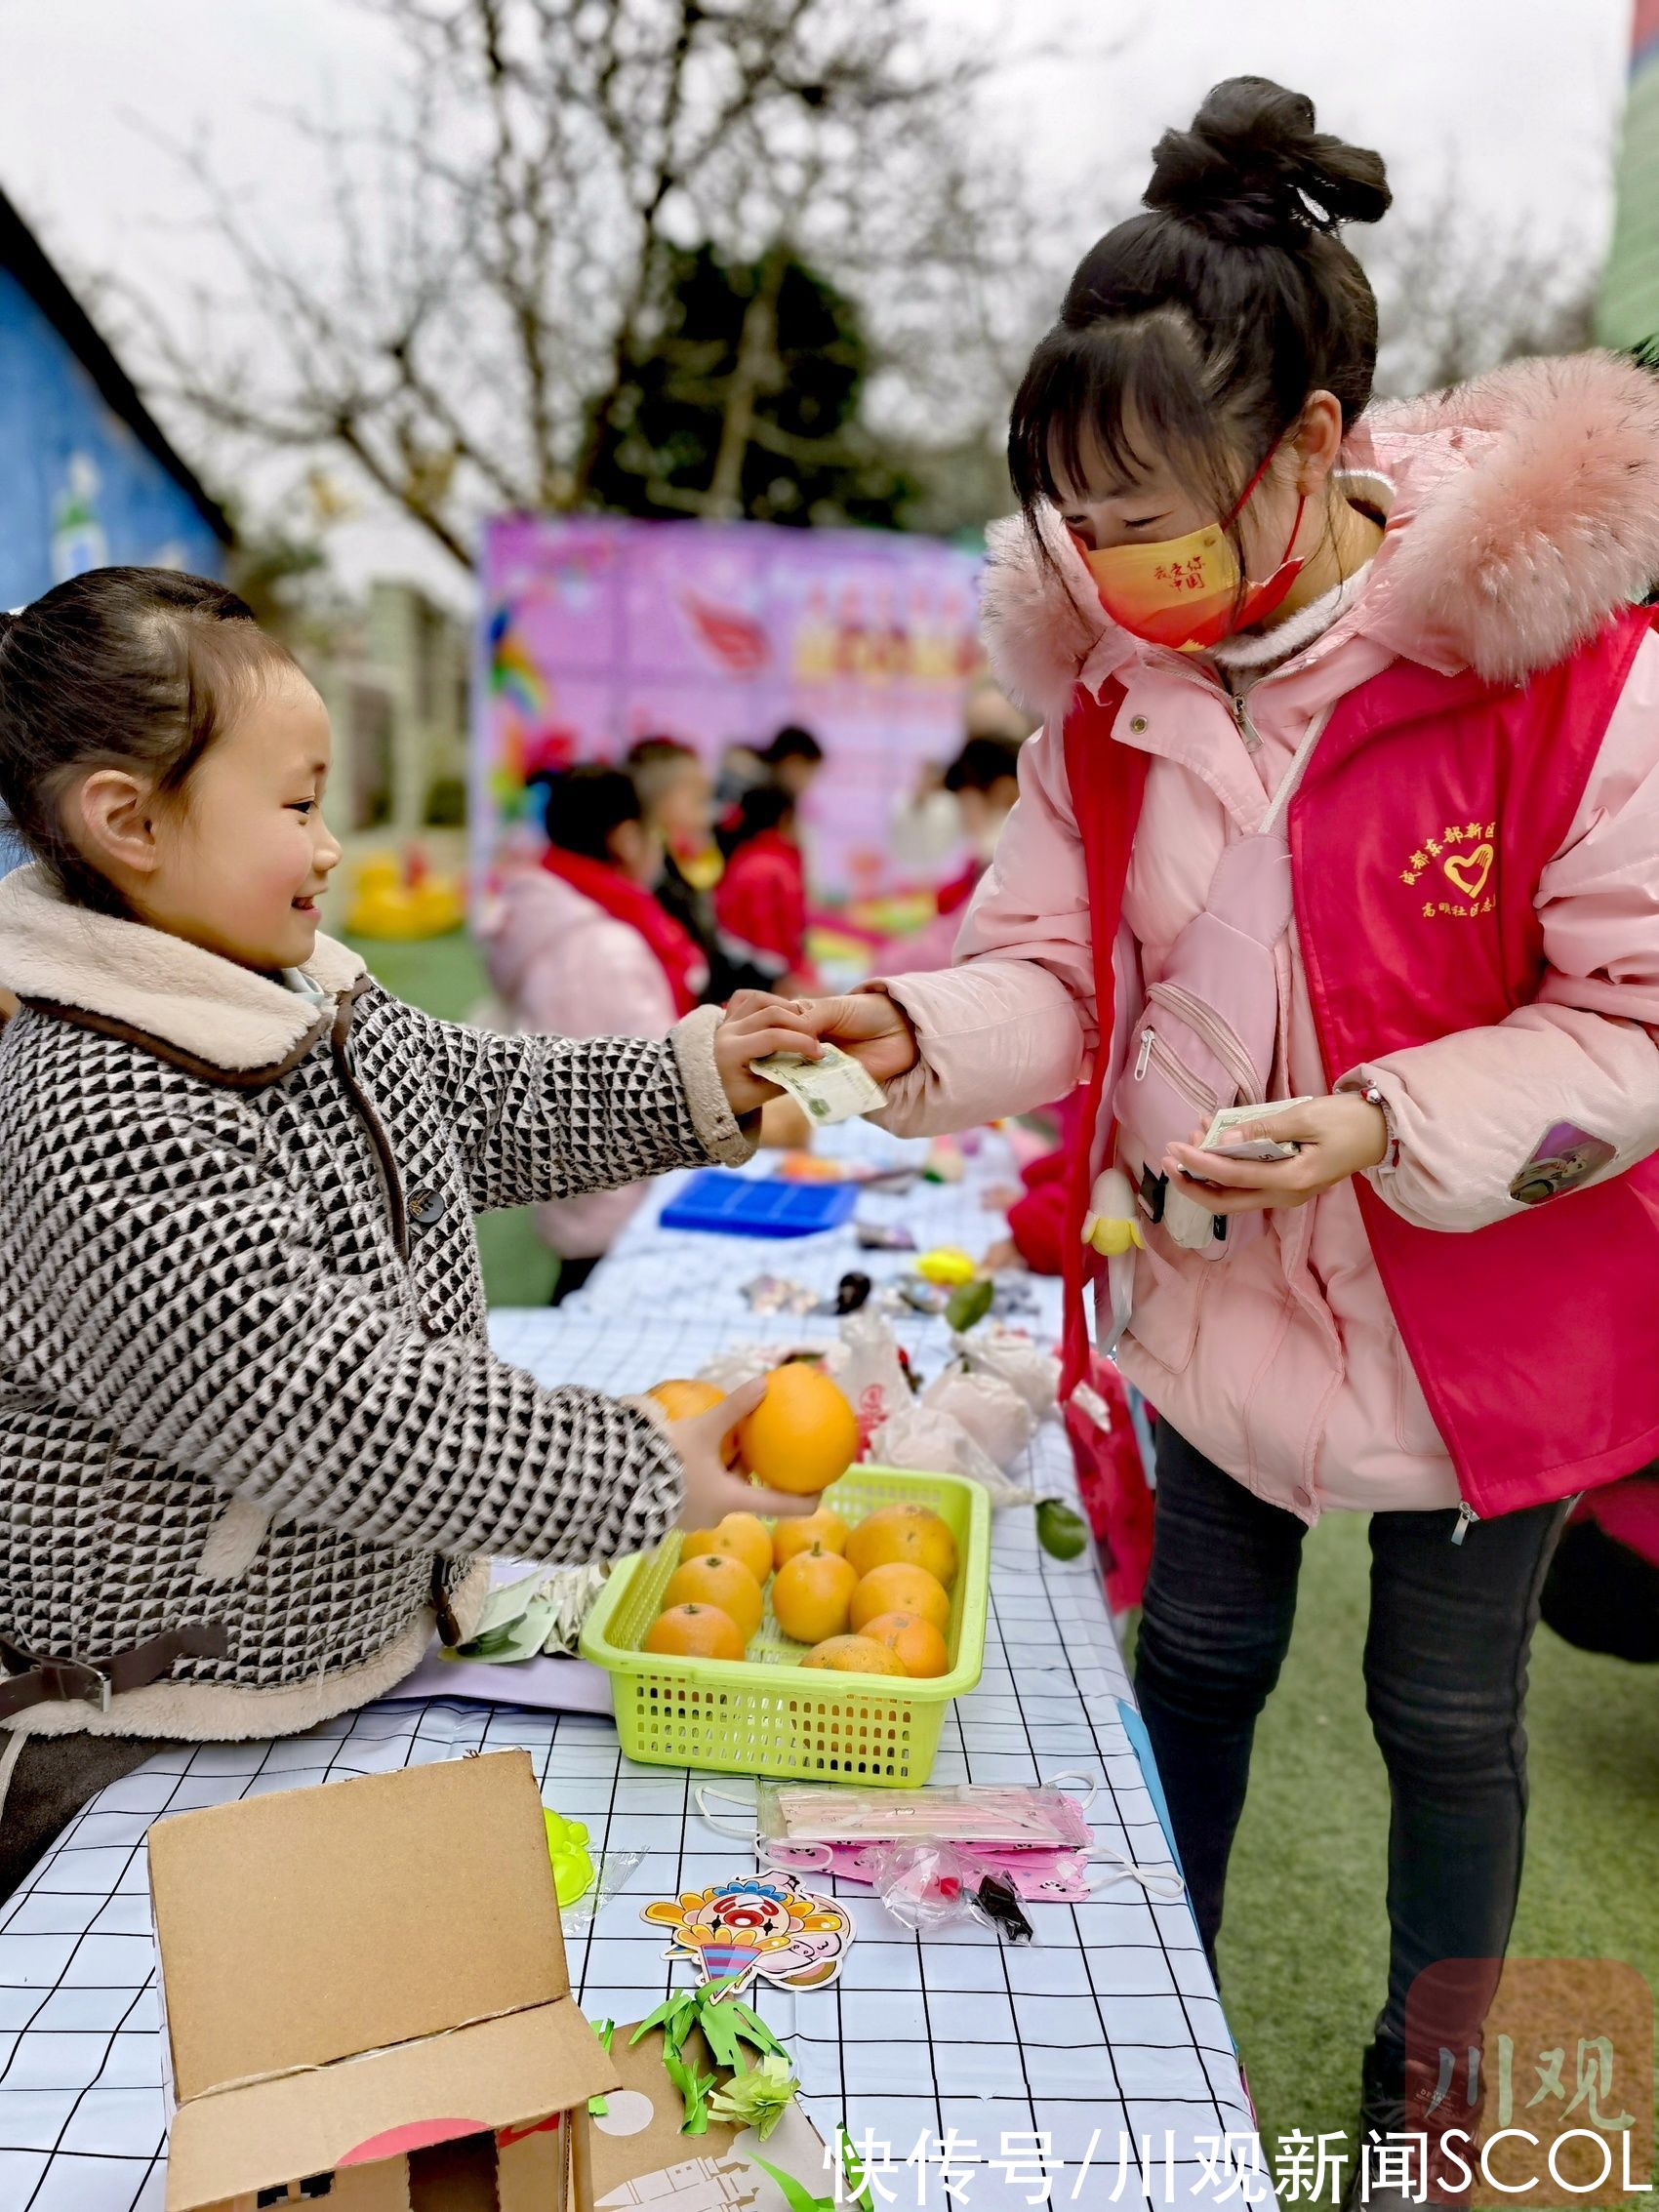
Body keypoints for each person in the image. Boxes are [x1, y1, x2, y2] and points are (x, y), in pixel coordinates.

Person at [796, 77, 1659, 2204]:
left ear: (1312, 444)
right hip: (1202, 1272)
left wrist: (1381, 1120)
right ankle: (1140, 2037)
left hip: (1485, 1311)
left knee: (1450, 1721)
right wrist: (907, 1021)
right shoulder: (1098, 695)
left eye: (1150, 511)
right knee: (1190, 1651)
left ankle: (1439, 2111)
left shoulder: (1559, 669)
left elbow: (1632, 1015)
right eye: (1073, 516)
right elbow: (1052, 972)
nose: (1108, 564)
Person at [0, 569, 821, 1898]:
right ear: (129, 819)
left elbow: (477, 1100)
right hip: (157, 1733)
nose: (330, 845)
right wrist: (639, 1467)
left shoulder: (291, 983)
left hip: (349, 1662)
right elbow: (332, 1402)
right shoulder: (96, 1112)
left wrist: (698, 1081)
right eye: (299, 803)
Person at [480, 763, 708, 1297]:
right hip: (615, 1206)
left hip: (590, 1190)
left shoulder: (562, 919)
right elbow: (658, 1081)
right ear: (627, 838)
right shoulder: (598, 945)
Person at [627, 736, 787, 1000]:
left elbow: (713, 950)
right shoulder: (654, 886)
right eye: (699, 802)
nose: (708, 817)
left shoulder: (687, 870)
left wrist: (774, 980)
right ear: (658, 807)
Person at [889, 733, 1026, 973]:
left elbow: (959, 945)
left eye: (965, 802)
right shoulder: (988, 855)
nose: (962, 815)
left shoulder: (1008, 858)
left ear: (1005, 791)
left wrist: (890, 962)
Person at [714, 784, 815, 989]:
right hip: (762, 984)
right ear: (786, 819)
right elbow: (774, 944)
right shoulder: (773, 870)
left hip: (743, 976)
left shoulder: (745, 856)